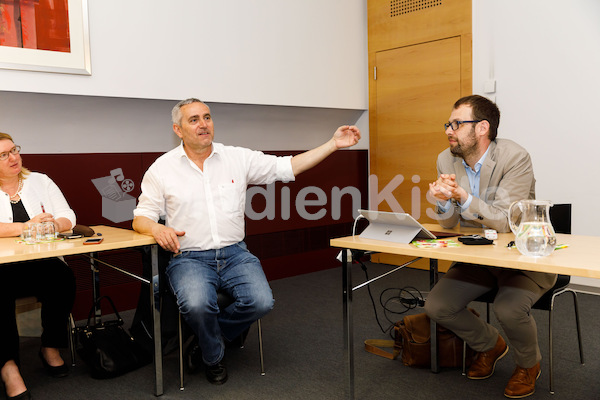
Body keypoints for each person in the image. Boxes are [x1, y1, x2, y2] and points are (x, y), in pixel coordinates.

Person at [133, 98, 360, 385]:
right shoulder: (161, 168)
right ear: (178, 130)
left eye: (207, 117)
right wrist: (155, 228)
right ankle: (214, 358)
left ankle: (207, 344)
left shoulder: (236, 158)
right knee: (197, 305)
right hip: (189, 258)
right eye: (194, 120)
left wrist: (332, 144)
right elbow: (140, 218)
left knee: (262, 301)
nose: (203, 124)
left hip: (235, 255)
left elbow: (287, 167)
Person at [424, 95, 556, 398]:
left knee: (508, 309)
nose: (449, 130)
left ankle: (528, 365)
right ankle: (489, 344)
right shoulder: (446, 159)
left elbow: (505, 221)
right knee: (436, 306)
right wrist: (444, 202)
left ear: (482, 128)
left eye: (457, 123)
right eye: (448, 123)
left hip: (521, 257)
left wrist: (463, 198)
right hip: (478, 255)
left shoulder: (515, 157)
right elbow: (447, 224)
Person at [0, 133, 77, 400]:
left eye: (14, 150)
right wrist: (25, 227)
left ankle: (50, 346)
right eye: (4, 155)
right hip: (2, 268)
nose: (14, 158)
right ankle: (8, 366)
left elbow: (68, 215)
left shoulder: (40, 181)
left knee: (63, 279)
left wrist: (53, 225)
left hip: (39, 262)